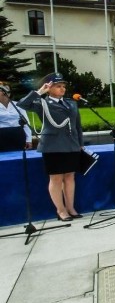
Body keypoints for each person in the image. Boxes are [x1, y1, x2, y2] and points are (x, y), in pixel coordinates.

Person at [17, 73, 84, 221]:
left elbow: (77, 126)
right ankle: (61, 210)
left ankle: (71, 207)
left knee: (70, 177)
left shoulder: (71, 103)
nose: (62, 89)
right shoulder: (42, 103)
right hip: (53, 146)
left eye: (63, 86)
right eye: (58, 86)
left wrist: (80, 144)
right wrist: (40, 92)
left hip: (71, 145)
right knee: (56, 179)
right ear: (49, 88)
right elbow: (22, 105)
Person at [0, 81, 33, 152]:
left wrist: (28, 139)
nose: (4, 92)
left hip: (17, 134)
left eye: (6, 90)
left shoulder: (18, 105)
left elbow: (26, 123)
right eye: (1, 90)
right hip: (2, 134)